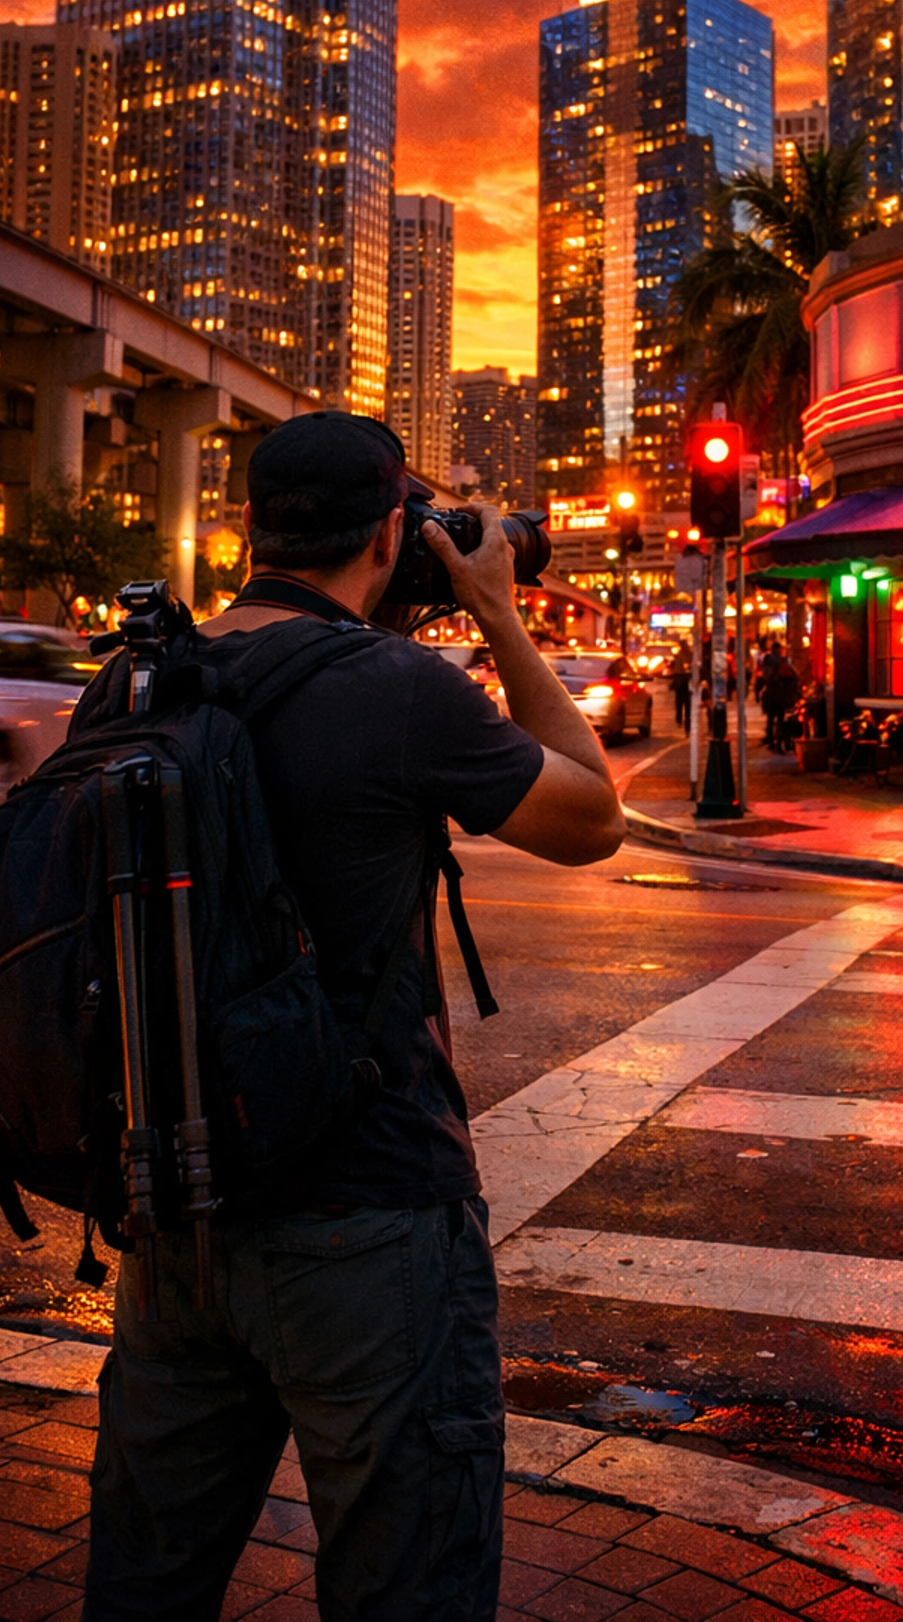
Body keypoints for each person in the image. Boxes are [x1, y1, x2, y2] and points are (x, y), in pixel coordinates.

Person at [82, 412, 624, 1622]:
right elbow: (592, 818)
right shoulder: (396, 689)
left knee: (144, 1585)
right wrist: (496, 606)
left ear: (251, 532)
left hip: (175, 1211)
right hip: (367, 1218)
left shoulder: (133, 677)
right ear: (393, 533)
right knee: (407, 1587)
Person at [669, 640, 692, 733]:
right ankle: (686, 723)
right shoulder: (689, 656)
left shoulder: (679, 656)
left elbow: (675, 668)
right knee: (686, 704)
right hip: (686, 682)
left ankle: (679, 719)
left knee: (679, 702)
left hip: (681, 681)